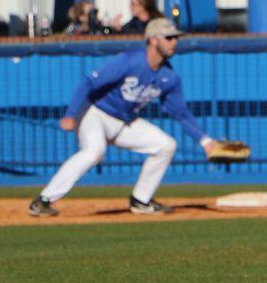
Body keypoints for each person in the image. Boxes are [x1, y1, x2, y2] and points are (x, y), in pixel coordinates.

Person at [27, 19, 220, 218]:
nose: (174, 42)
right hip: (95, 114)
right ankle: (43, 201)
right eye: (169, 38)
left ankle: (141, 200)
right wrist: (71, 114)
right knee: (94, 151)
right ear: (153, 40)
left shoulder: (169, 77)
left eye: (176, 38)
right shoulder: (130, 61)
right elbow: (89, 82)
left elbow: (181, 113)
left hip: (125, 122)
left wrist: (205, 141)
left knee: (166, 145)